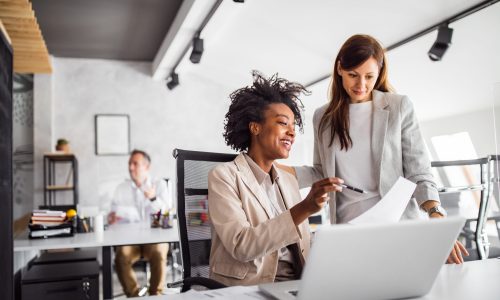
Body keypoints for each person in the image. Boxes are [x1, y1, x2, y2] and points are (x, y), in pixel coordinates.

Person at [279, 34, 468, 264]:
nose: (361, 85)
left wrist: (435, 213)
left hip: (396, 228)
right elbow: (321, 172)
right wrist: (275, 170)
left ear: (379, 72)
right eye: (353, 75)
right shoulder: (323, 116)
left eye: (369, 76)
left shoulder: (399, 107)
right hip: (348, 231)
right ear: (340, 69)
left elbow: (418, 171)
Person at [208, 72, 342, 286]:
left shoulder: (288, 180)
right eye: (283, 123)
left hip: (297, 284)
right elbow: (242, 246)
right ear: (255, 127)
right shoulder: (224, 177)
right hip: (253, 288)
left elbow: (299, 243)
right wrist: (305, 208)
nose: (292, 133)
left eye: (294, 127)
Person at [108, 149, 171, 297]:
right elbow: (111, 213)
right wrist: (110, 218)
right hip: (130, 241)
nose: (130, 167)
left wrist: (154, 198)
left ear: (146, 167)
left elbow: (167, 212)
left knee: (159, 251)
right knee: (121, 256)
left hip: (155, 238)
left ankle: (156, 295)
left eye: (135, 164)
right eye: (130, 164)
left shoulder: (159, 185)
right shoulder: (120, 188)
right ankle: (133, 296)